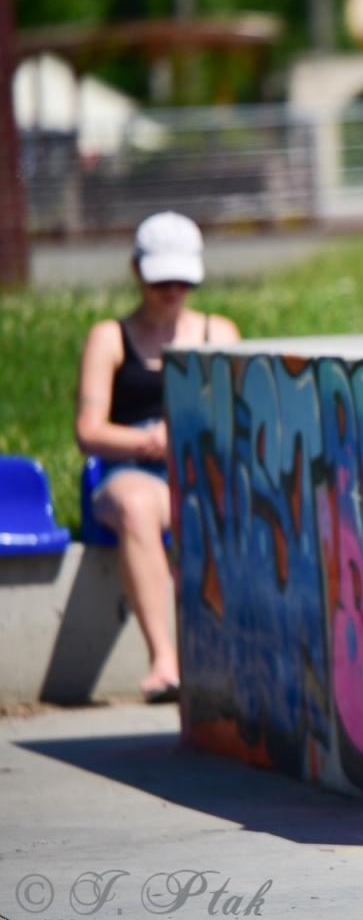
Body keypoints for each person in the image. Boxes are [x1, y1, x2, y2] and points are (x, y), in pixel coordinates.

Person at [74, 211, 240, 702]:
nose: (171, 291)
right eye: (160, 279)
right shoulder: (110, 337)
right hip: (129, 474)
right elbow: (89, 430)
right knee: (138, 506)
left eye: (181, 281)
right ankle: (164, 658)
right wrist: (150, 440)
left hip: (195, 473)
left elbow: (235, 419)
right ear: (137, 273)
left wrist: (185, 435)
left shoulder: (219, 334)